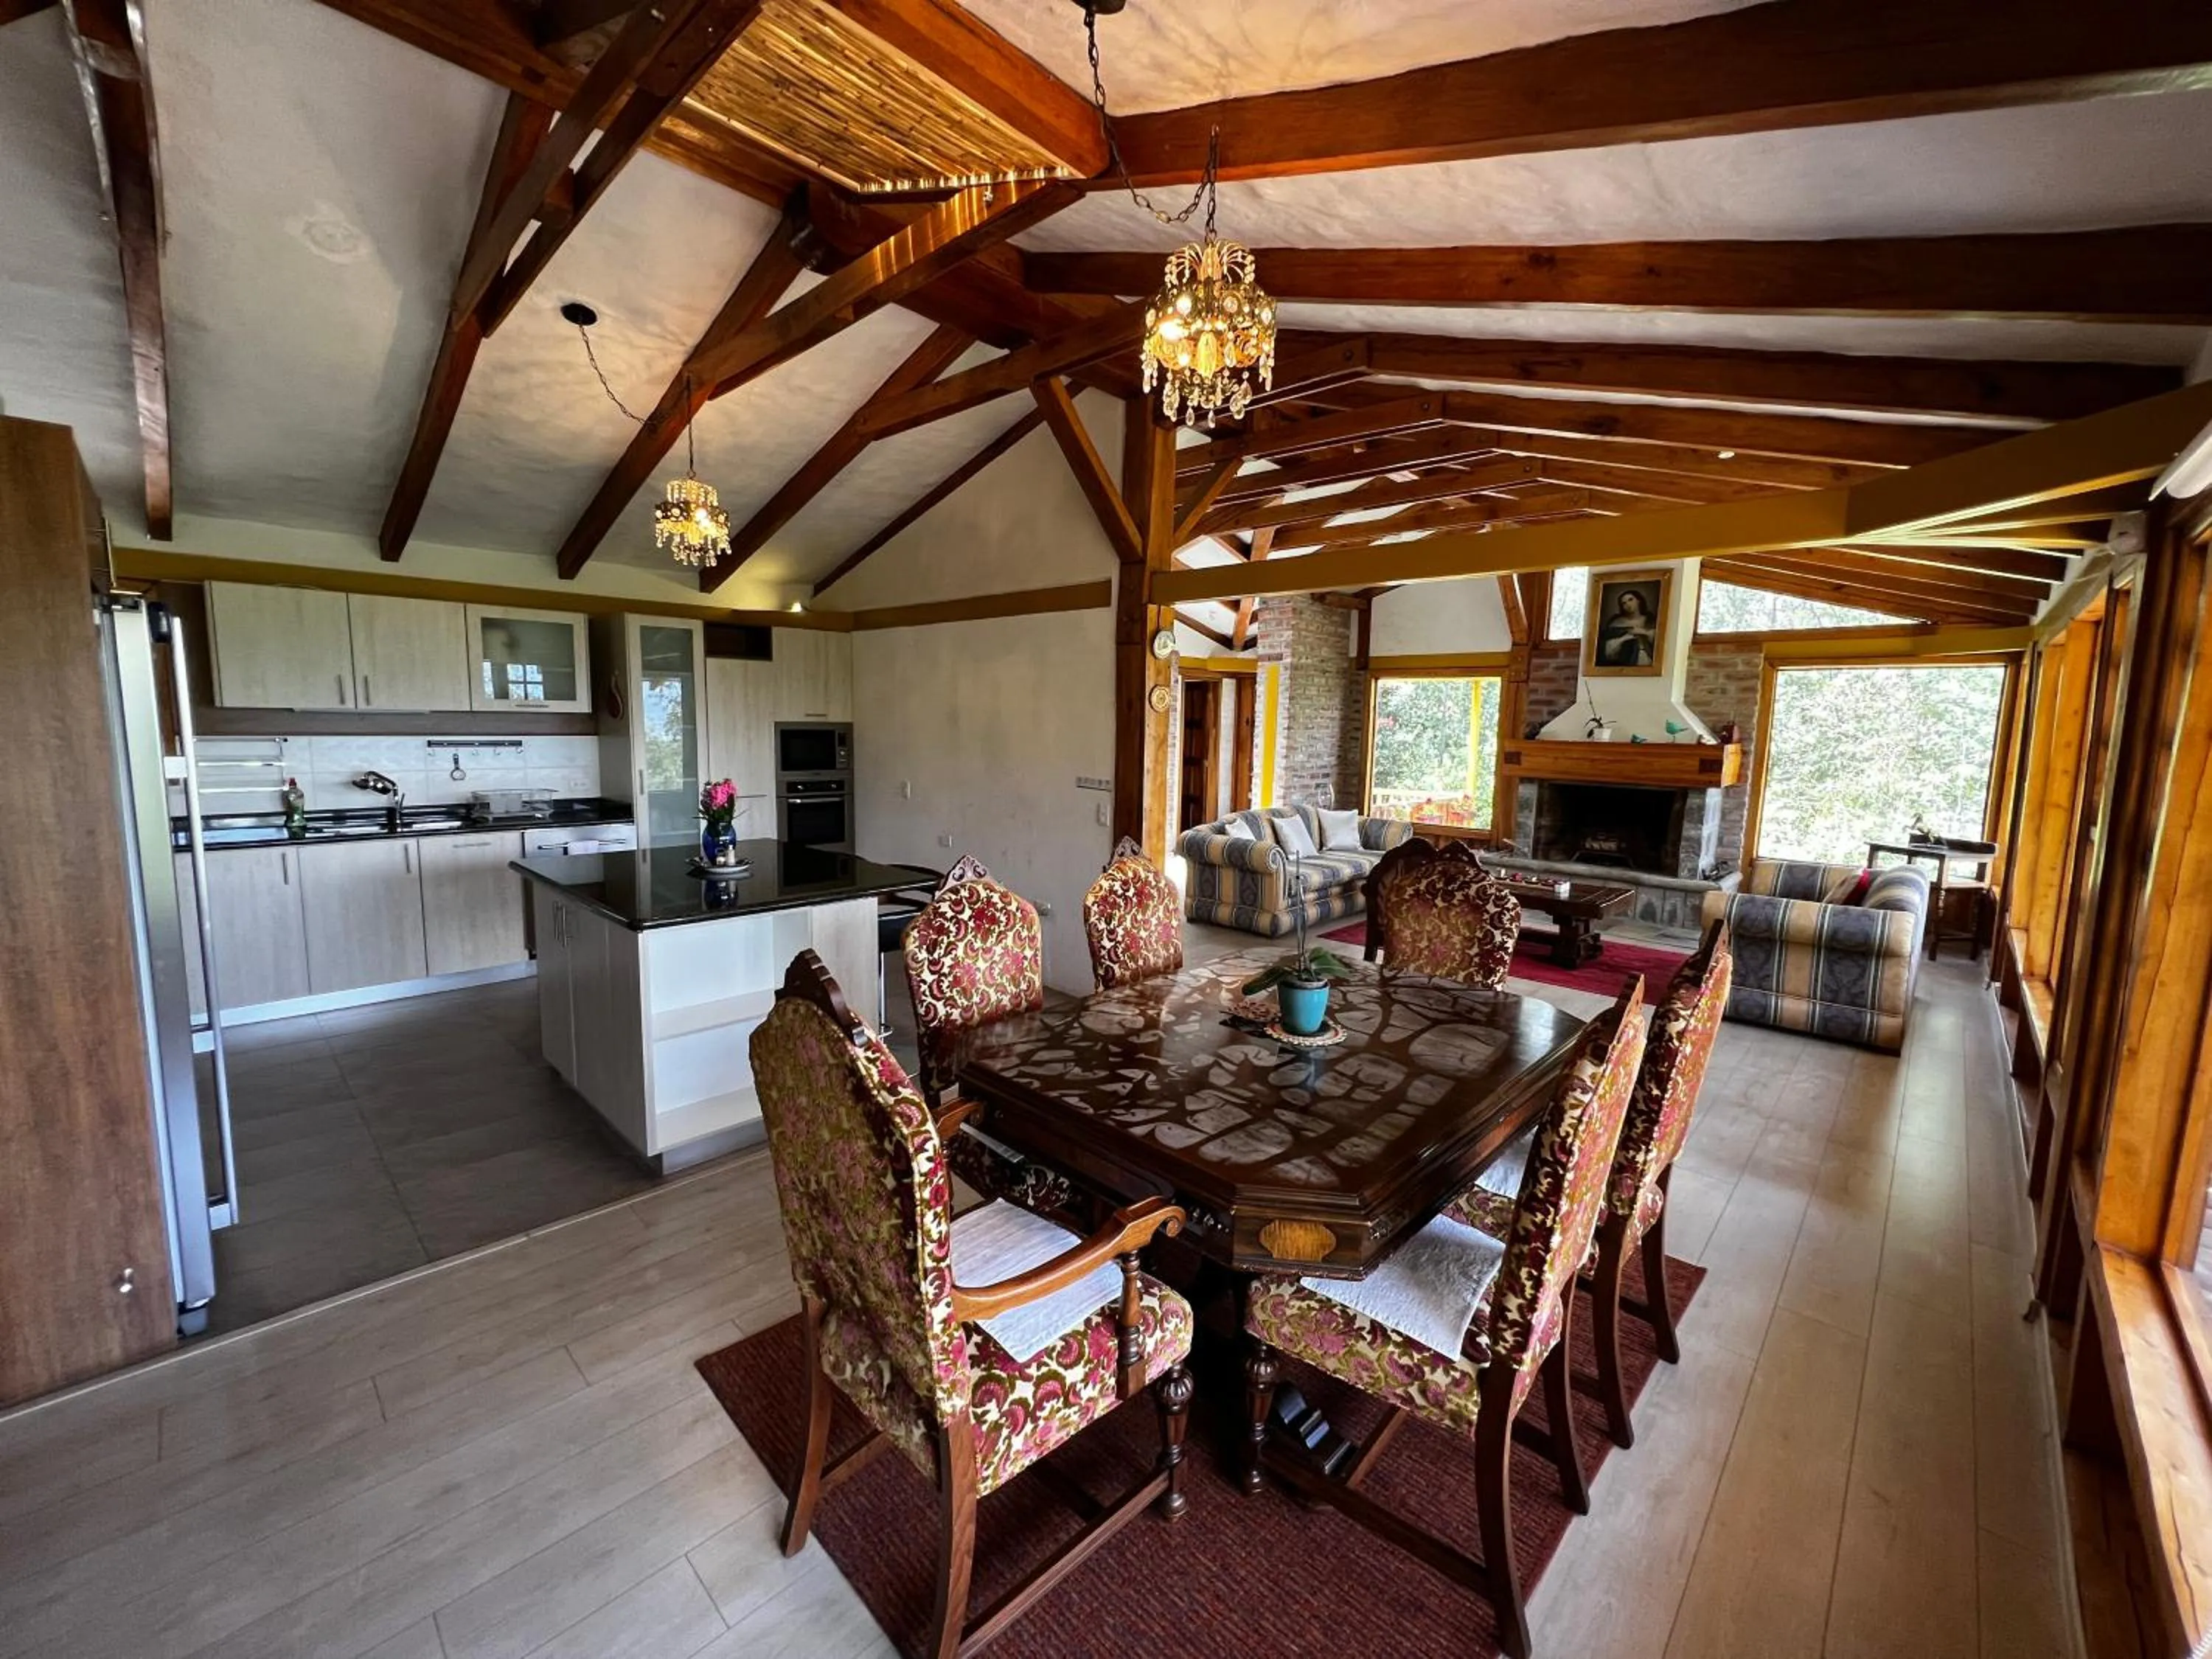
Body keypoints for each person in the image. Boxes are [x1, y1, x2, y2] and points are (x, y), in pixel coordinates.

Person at [1597, 587, 1658, 667]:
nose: (1628, 605)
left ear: (1639, 600)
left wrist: (1643, 632)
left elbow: (1658, 641)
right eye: (1624, 603)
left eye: (1631, 600)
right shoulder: (1616, 622)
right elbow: (1606, 648)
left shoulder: (1650, 620)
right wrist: (1624, 639)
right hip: (1623, 660)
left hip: (1644, 659)